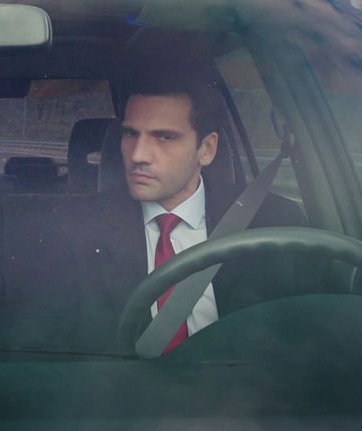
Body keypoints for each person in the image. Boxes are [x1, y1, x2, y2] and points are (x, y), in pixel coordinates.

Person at [65, 68, 322, 353]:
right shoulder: (78, 230)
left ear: (207, 149)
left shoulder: (275, 222)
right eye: (130, 133)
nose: (138, 155)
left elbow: (322, 336)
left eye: (164, 137)